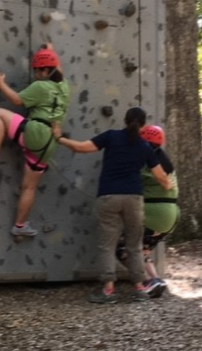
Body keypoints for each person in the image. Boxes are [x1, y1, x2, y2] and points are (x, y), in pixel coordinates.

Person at [52, 107, 173, 303]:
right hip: (134, 199)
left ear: (125, 120)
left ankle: (108, 291)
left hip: (108, 196)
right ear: (143, 125)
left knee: (107, 246)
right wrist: (168, 185)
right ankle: (140, 288)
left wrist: (59, 138)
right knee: (134, 245)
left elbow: (81, 147)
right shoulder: (145, 147)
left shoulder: (111, 136)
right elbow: (161, 177)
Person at [0, 43, 70, 237]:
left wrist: (0, 83)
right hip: (48, 145)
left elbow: (17, 100)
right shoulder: (64, 86)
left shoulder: (41, 86)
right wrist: (50, 51)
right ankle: (20, 225)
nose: (35, 75)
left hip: (35, 132)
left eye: (36, 71)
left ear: (43, 71)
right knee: (29, 186)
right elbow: (59, 69)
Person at [116, 125, 179, 298]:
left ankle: (144, 282)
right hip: (171, 217)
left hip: (153, 214)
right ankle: (156, 280)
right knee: (143, 250)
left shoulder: (145, 162)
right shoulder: (165, 160)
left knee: (123, 248)